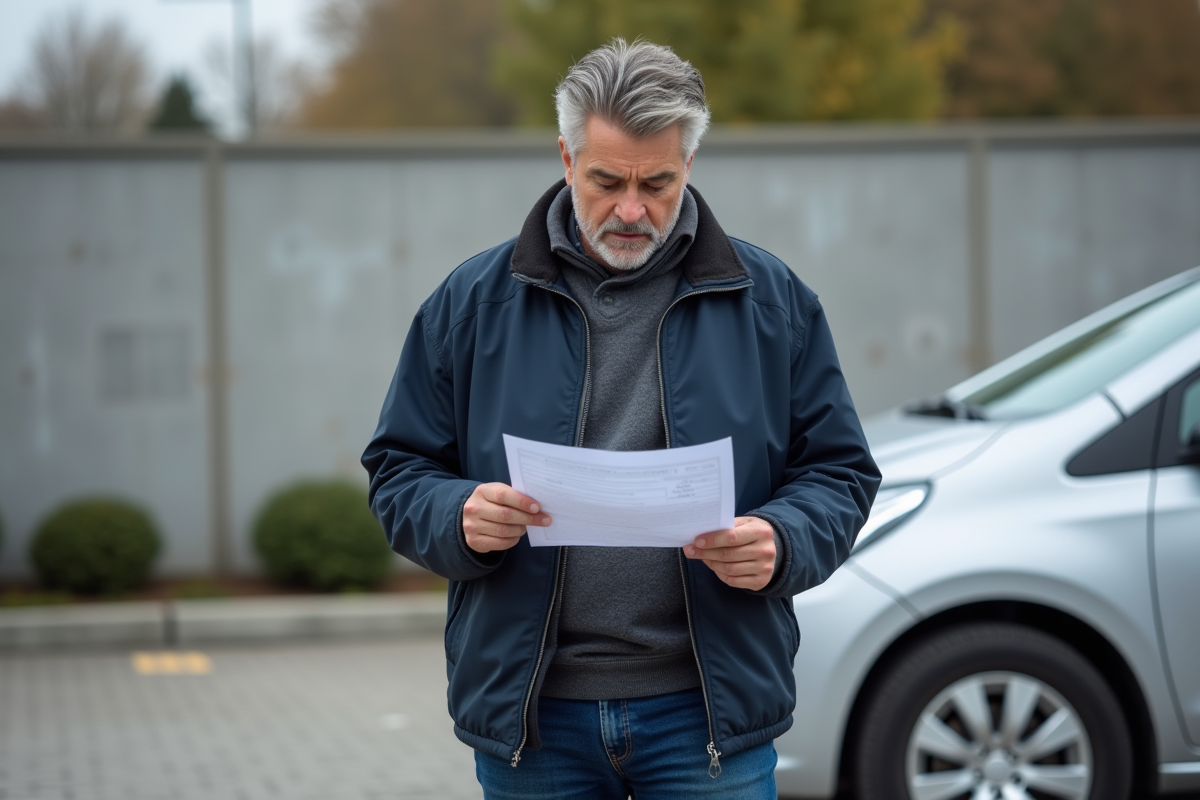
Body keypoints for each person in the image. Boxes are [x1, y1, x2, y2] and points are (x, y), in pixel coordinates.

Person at [362, 38, 880, 800]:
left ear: (690, 166)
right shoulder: (471, 304)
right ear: (566, 159)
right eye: (607, 181)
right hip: (534, 722)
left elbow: (840, 472)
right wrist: (457, 515)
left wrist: (783, 539)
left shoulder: (773, 305)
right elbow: (398, 470)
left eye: (657, 183)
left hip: (708, 717)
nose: (632, 210)